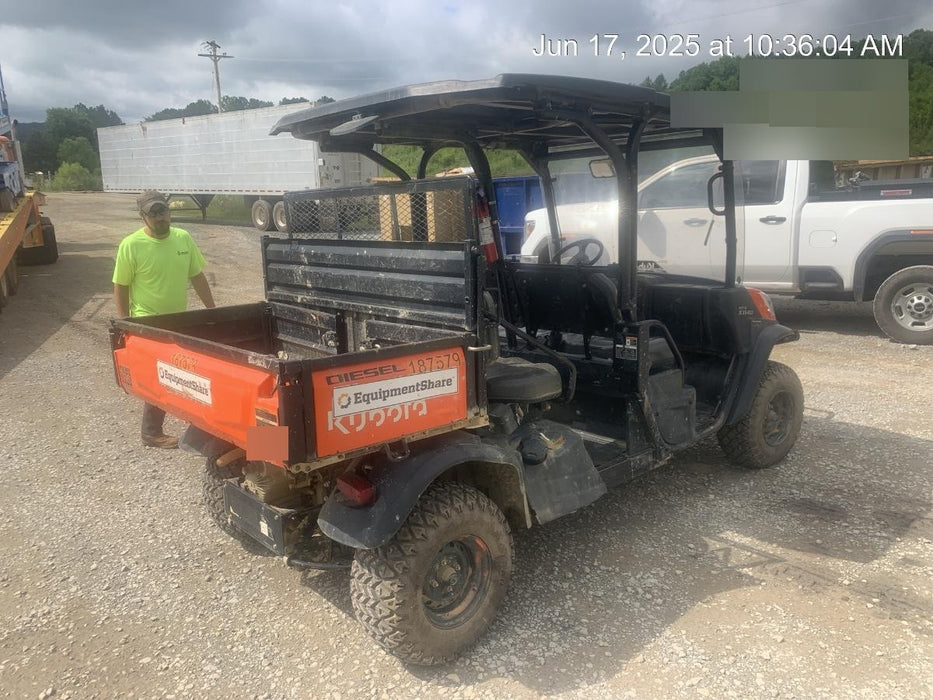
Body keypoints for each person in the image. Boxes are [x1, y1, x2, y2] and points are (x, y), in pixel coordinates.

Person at [113, 191, 215, 448]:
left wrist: (212, 310)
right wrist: (125, 322)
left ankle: (199, 426)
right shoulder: (131, 245)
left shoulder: (183, 238)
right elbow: (121, 285)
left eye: (163, 212)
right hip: (147, 322)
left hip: (179, 319)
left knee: (183, 372)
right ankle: (151, 433)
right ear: (143, 217)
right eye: (153, 214)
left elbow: (197, 277)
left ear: (169, 212)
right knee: (158, 376)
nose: (160, 218)